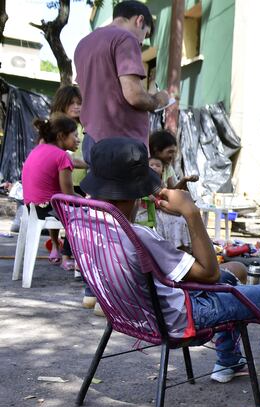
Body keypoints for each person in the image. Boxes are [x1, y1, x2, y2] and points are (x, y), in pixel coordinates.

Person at [77, 137, 260, 398]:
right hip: (180, 316)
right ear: (136, 194)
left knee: (236, 269)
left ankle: (227, 361)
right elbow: (209, 274)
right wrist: (191, 213)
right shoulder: (137, 236)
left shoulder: (82, 224)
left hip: (135, 313)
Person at [74, 0, 170, 158]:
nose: (141, 43)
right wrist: (159, 100)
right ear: (139, 20)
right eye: (145, 34)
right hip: (122, 143)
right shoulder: (126, 38)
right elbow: (134, 95)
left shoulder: (83, 44)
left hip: (92, 139)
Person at [21, 114, 80, 271]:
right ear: (61, 136)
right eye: (75, 135)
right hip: (48, 208)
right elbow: (69, 196)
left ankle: (63, 252)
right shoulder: (62, 156)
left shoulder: (38, 149)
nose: (78, 140)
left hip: (32, 208)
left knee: (77, 208)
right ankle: (69, 258)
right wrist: (88, 201)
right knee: (84, 215)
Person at [149, 130, 197, 249]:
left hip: (163, 204)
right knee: (179, 220)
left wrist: (184, 180)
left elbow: (172, 190)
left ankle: (182, 248)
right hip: (152, 207)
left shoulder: (167, 168)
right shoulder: (149, 167)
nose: (172, 156)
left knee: (185, 217)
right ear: (156, 150)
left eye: (174, 152)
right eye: (169, 152)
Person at [49, 85, 88, 194]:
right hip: (59, 182)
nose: (76, 107)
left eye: (79, 103)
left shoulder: (86, 127)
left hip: (82, 184)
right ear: (62, 103)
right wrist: (92, 164)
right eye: (71, 103)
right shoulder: (52, 128)